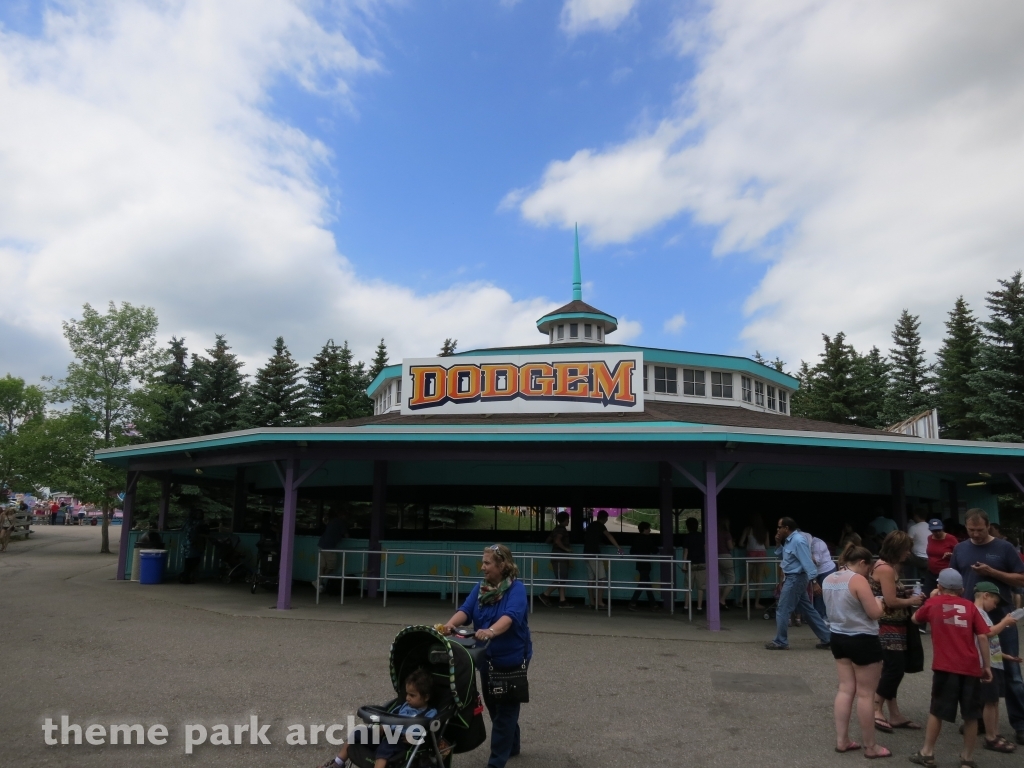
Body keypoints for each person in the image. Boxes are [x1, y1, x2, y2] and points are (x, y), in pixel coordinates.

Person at [442, 544, 531, 768]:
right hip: (487, 659)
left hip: (511, 659)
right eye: (483, 562)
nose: (482, 567)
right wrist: (450, 624)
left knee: (506, 710)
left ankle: (496, 762)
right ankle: (513, 744)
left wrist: (490, 630)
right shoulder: (481, 588)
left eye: (487, 563)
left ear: (502, 565)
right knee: (494, 705)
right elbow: (466, 610)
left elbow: (510, 617)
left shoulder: (516, 589)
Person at [949, 508, 1024, 745]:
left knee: (1012, 673)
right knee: (975, 669)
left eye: (980, 530)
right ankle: (979, 719)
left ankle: (1020, 723)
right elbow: (952, 578)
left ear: (988, 526)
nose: (976, 534)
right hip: (970, 618)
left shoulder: (1004, 548)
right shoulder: (960, 549)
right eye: (971, 530)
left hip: (1003, 616)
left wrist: (991, 572)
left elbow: (1021, 579)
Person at [909, 568, 992, 768]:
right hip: (970, 667)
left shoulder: (933, 603)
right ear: (962, 589)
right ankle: (967, 758)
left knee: (937, 710)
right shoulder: (970, 607)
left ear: (939, 586)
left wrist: (933, 597)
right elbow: (982, 635)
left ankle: (927, 753)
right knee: (971, 714)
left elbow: (915, 619)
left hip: (945, 667)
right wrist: (986, 666)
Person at [823, 544, 889, 758]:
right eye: (868, 569)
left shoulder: (828, 578)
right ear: (862, 563)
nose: (868, 574)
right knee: (865, 694)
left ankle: (842, 740)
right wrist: (881, 603)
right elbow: (873, 613)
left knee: (844, 689)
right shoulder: (857, 580)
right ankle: (871, 746)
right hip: (862, 638)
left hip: (838, 636)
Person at [318, 668, 437, 768]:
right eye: (406, 694)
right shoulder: (404, 706)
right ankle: (338, 763)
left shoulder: (430, 713)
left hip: (402, 742)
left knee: (387, 746)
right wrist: (382, 726)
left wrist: (413, 736)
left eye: (412, 695)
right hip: (387, 734)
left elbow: (426, 730)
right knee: (358, 732)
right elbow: (391, 716)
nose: (407, 698)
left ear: (426, 697)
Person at [870, 530, 924, 733]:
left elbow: (890, 594)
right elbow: (890, 601)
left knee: (894, 667)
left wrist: (905, 592)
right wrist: (912, 601)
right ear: (897, 549)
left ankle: (894, 713)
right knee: (894, 668)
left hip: (896, 624)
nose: (908, 553)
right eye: (906, 549)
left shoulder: (888, 567)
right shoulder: (885, 569)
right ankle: (876, 707)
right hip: (888, 624)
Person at [765, 517, 831, 651]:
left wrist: (814, 581)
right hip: (794, 578)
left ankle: (781, 641)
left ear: (786, 528)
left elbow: (807, 561)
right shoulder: (789, 541)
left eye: (779, 527)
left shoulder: (798, 541)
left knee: (782, 610)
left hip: (795, 579)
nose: (777, 530)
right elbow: (783, 557)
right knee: (808, 610)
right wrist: (778, 543)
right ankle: (827, 638)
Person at [973, 581, 1021, 753]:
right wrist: (1005, 622)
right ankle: (990, 737)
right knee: (990, 700)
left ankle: (995, 732)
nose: (995, 605)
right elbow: (987, 633)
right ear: (986, 595)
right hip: (985, 664)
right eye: (995, 601)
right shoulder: (976, 612)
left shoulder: (984, 614)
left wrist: (1006, 656)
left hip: (994, 662)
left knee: (995, 701)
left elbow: (991, 641)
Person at [583, 510, 621, 610]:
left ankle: (592, 602)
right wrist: (618, 547)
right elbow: (609, 536)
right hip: (594, 554)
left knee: (591, 579)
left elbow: (591, 538)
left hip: (586, 553)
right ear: (604, 518)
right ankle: (600, 602)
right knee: (602, 578)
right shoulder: (601, 526)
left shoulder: (591, 525)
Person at [538, 511, 574, 608]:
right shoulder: (561, 529)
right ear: (565, 519)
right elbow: (557, 540)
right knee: (561, 578)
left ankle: (562, 600)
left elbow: (548, 540)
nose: (569, 521)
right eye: (568, 519)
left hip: (559, 556)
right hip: (560, 557)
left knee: (561, 578)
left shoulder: (556, 529)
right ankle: (545, 594)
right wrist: (566, 549)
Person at [739, 515, 770, 610]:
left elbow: (740, 543)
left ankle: (740, 600)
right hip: (761, 554)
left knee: (747, 578)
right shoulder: (765, 531)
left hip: (750, 554)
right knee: (759, 578)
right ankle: (757, 603)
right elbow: (767, 546)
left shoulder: (748, 529)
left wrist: (747, 545)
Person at [628, 521, 661, 611]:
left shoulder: (636, 539)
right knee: (643, 584)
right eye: (649, 529)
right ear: (645, 529)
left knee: (646, 583)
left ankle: (653, 604)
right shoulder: (647, 539)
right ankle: (633, 603)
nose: (650, 530)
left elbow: (632, 551)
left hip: (639, 563)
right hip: (646, 564)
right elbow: (654, 550)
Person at [313, 508, 348, 593]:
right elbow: (346, 535)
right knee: (331, 566)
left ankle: (318, 582)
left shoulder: (332, 521)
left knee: (322, 566)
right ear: (343, 515)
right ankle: (319, 581)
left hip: (321, 545)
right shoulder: (341, 522)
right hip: (329, 547)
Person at [806, 533, 837, 620]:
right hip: (816, 572)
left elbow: (816, 561)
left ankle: (822, 617)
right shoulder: (809, 544)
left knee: (822, 593)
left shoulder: (817, 544)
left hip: (826, 570)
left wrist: (805, 554)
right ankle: (819, 616)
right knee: (816, 594)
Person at [925, 518, 957, 598]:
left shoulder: (950, 538)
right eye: (934, 531)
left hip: (945, 572)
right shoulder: (929, 538)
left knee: (943, 596)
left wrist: (951, 555)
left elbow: (959, 554)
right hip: (931, 573)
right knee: (927, 595)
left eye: (939, 530)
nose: (937, 533)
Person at [681, 517, 707, 613]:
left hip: (690, 564)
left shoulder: (687, 537)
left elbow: (685, 552)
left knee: (688, 587)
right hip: (702, 563)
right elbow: (705, 549)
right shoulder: (702, 536)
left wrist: (684, 565)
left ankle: (686, 607)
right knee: (701, 587)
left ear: (687, 527)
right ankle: (699, 608)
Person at [717, 517, 735, 610]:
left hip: (715, 557)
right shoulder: (726, 534)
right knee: (731, 579)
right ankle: (722, 600)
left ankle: (717, 600)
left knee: (718, 580)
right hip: (726, 557)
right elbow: (730, 547)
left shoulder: (714, 533)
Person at [908, 509, 931, 578]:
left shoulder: (913, 528)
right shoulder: (931, 527)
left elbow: (908, 543)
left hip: (918, 558)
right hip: (930, 557)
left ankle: (912, 582)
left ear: (916, 516)